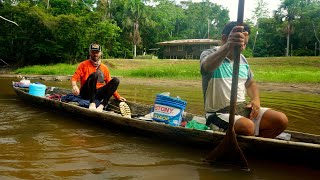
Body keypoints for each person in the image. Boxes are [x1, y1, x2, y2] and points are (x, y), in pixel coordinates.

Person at [200, 21, 288, 138]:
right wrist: (228, 46)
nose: (242, 47)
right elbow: (207, 66)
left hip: (242, 109)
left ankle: (253, 146)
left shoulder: (242, 59)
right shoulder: (210, 53)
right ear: (225, 38)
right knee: (248, 127)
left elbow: (250, 83)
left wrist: (256, 100)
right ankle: (248, 142)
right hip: (217, 114)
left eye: (244, 44)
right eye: (237, 43)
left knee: (280, 120)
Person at [71, 43, 126, 112]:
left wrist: (118, 96)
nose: (95, 54)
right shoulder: (83, 65)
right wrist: (74, 86)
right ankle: (92, 103)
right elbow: (75, 77)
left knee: (115, 80)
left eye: (97, 52)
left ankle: (102, 105)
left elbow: (110, 83)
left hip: (98, 93)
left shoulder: (104, 67)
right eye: (93, 52)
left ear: (100, 53)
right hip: (86, 92)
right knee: (94, 75)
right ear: (90, 53)